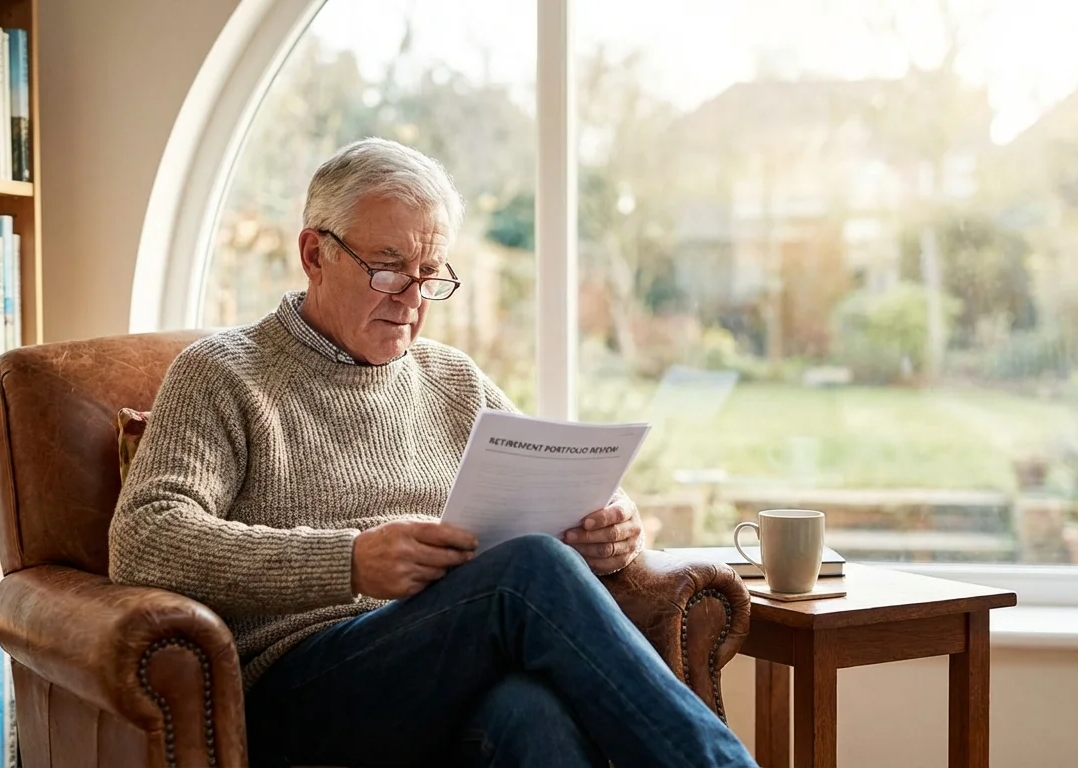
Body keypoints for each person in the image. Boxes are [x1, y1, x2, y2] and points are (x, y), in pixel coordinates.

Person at [108, 137, 755, 768]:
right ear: (314, 253)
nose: (413, 300)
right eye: (388, 269)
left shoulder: (454, 379)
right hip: (301, 686)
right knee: (527, 569)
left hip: (449, 674)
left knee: (533, 713)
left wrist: (613, 523)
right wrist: (351, 562)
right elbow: (145, 538)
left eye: (429, 275)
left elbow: (556, 476)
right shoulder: (223, 374)